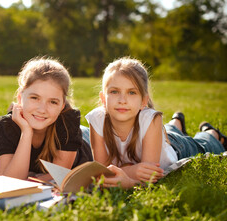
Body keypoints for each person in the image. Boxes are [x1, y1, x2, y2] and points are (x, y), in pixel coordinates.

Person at [85, 57, 226, 188]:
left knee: (204, 146)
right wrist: (132, 171)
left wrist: (128, 178)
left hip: (177, 148)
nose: (122, 100)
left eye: (132, 92)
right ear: (103, 99)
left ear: (144, 101)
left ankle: (211, 133)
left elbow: (149, 176)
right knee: (168, 132)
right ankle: (176, 123)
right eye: (114, 91)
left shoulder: (151, 119)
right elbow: (103, 173)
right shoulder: (97, 120)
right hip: (161, 137)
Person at [0, 57, 93, 181]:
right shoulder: (6, 125)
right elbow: (11, 181)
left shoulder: (68, 121)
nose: (42, 109)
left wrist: (31, 179)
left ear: (62, 105)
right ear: (19, 98)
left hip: (86, 139)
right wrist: (26, 132)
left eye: (53, 102)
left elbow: (59, 177)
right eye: (35, 98)